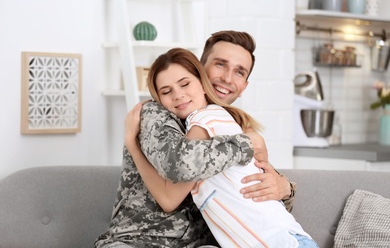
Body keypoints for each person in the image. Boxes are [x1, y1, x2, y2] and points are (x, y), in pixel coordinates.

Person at [95, 31, 295, 247]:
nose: (227, 78)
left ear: (244, 86)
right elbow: (181, 165)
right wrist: (247, 144)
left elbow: (259, 195)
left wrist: (285, 187)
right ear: (200, 68)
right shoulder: (156, 114)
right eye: (220, 64)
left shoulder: (229, 125)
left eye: (239, 72)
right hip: (137, 241)